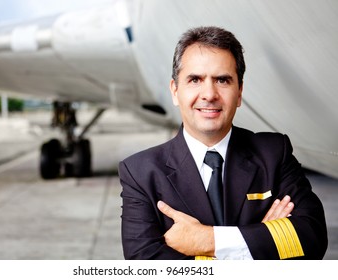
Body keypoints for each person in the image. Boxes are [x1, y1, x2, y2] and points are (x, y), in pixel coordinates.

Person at [119, 26, 328, 260]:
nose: (209, 94)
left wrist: (207, 241)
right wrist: (260, 242)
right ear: (175, 91)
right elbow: (144, 264)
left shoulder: (274, 153)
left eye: (222, 80)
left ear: (239, 93)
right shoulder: (140, 172)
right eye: (195, 79)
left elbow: (312, 240)